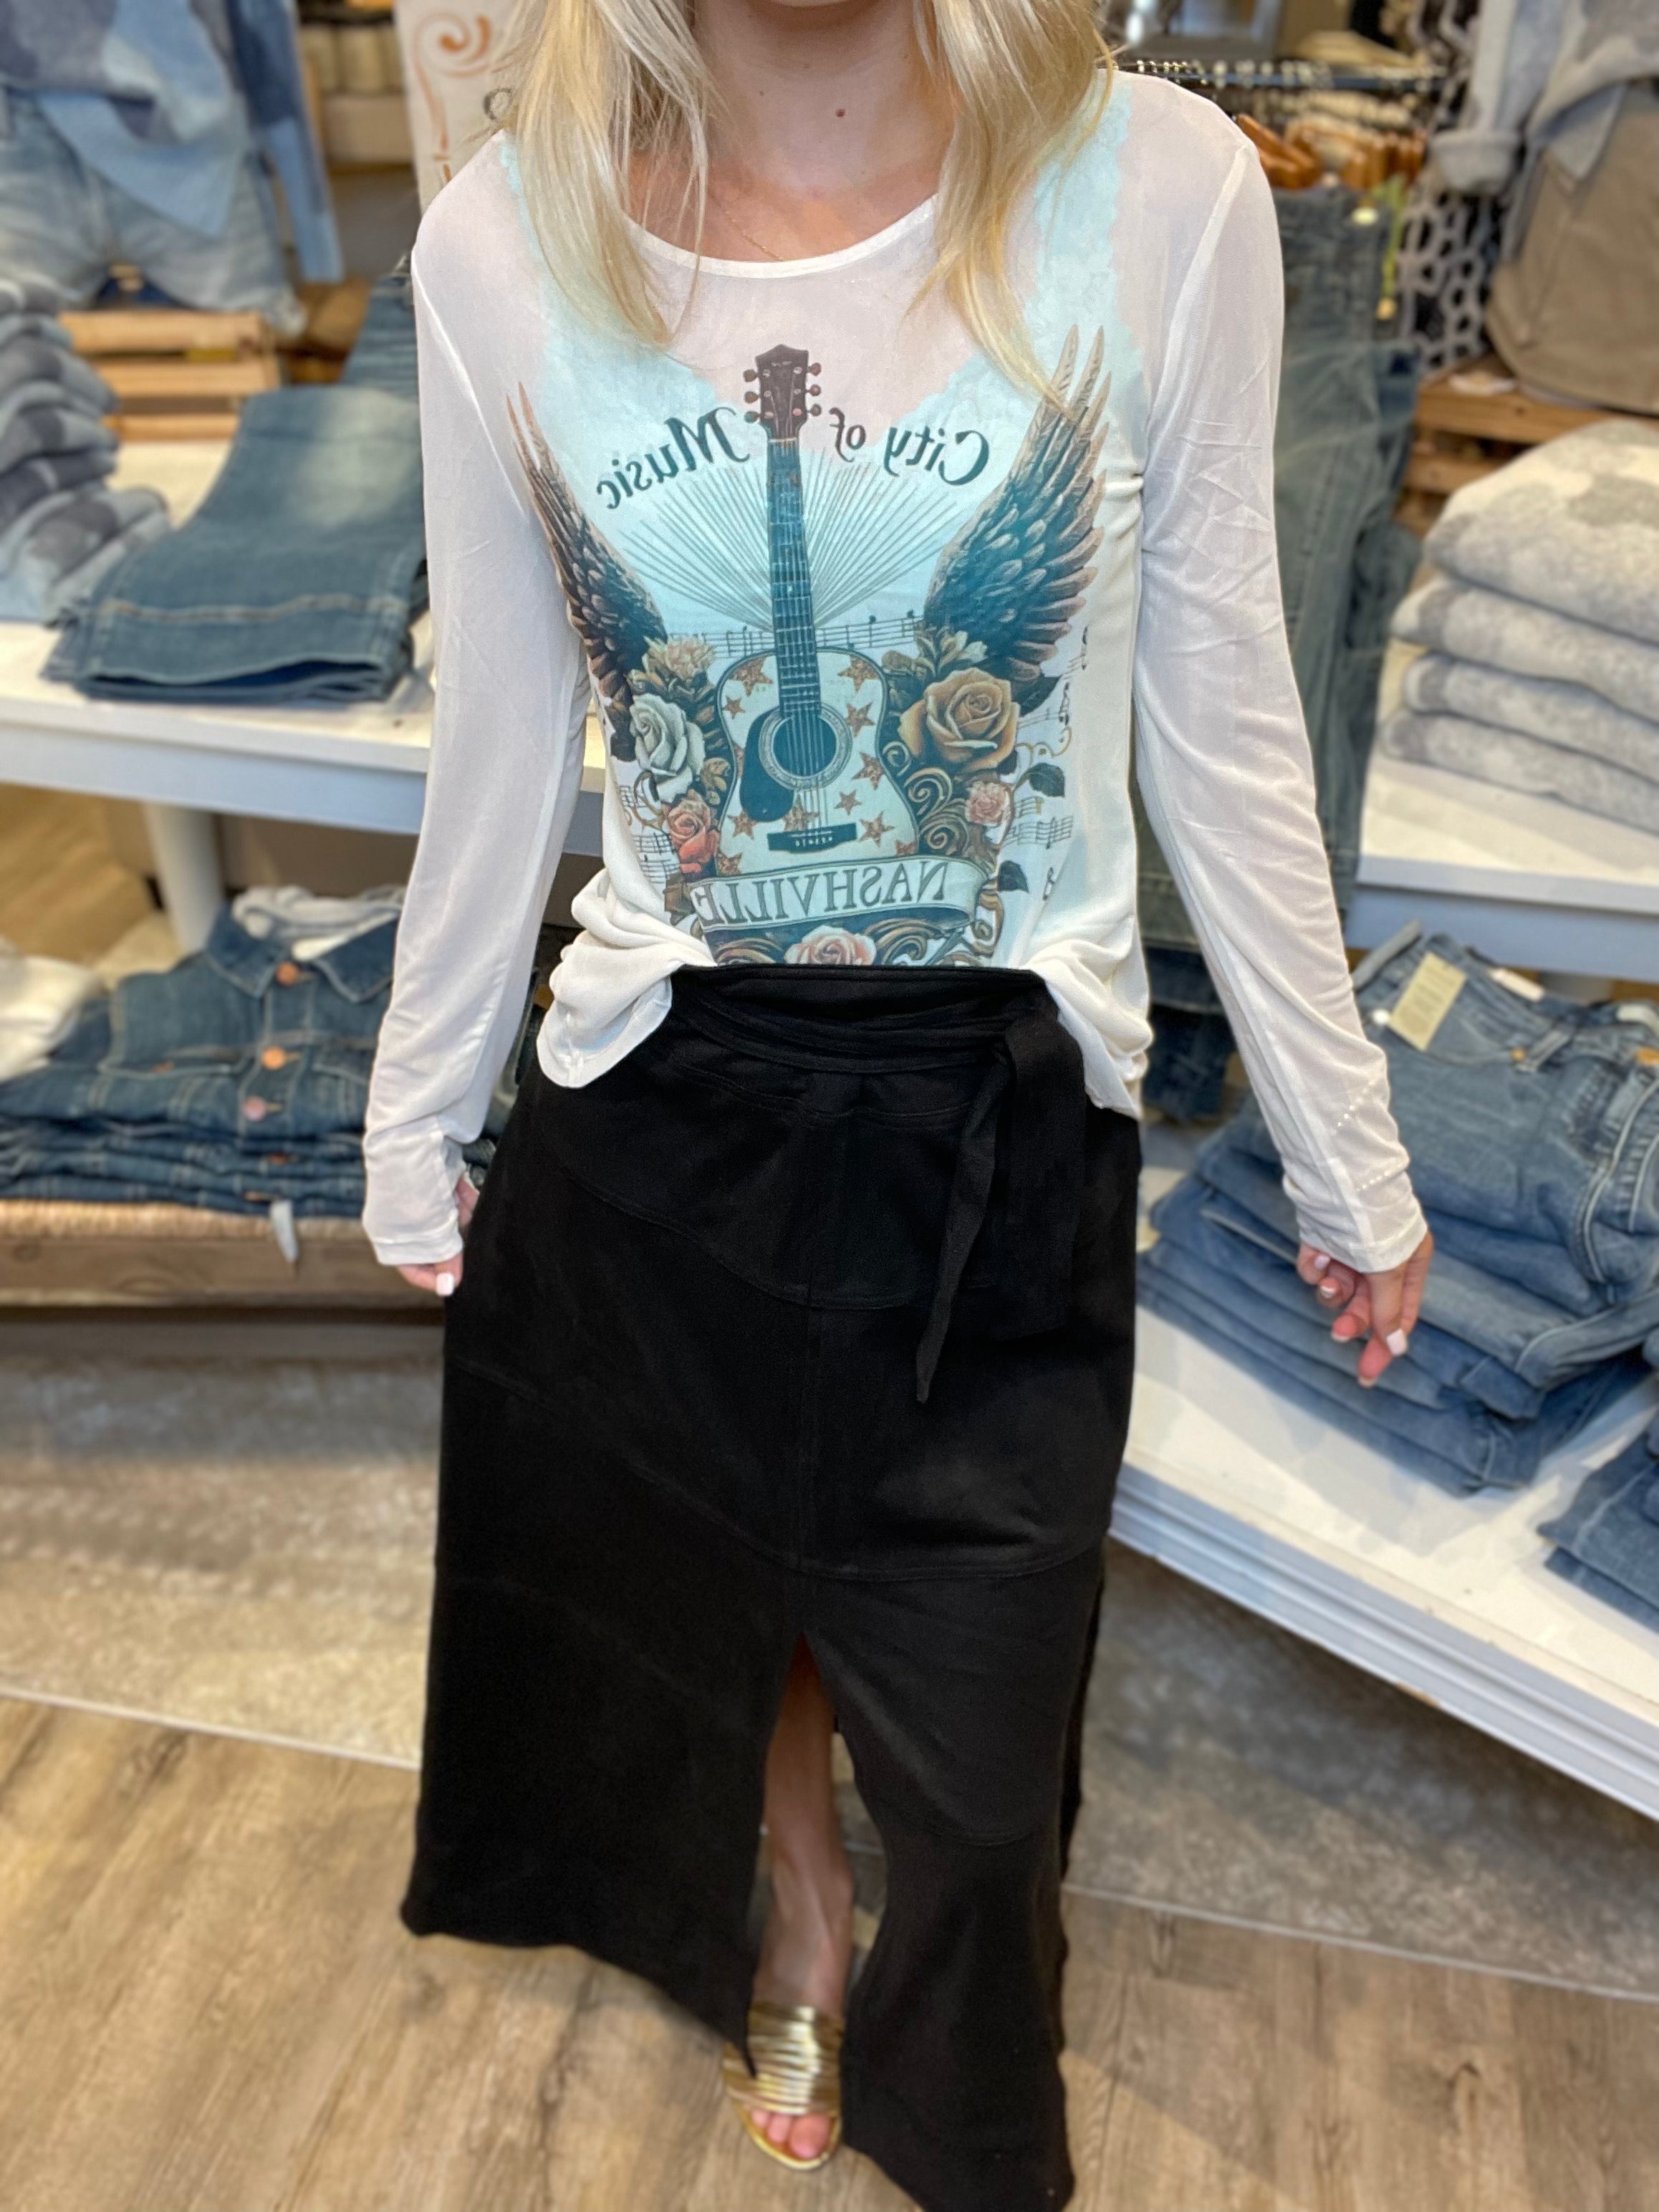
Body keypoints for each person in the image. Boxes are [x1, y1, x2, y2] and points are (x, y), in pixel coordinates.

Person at [361, 0, 1433, 2202]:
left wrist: (1345, 1142)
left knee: (977, 1728)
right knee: (714, 1595)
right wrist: (415, 1104)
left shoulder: (1156, 191)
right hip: (661, 1106)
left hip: (1000, 1120)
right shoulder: (500, 240)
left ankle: (958, 2056)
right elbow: (503, 730)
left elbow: (1224, 705)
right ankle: (794, 1906)